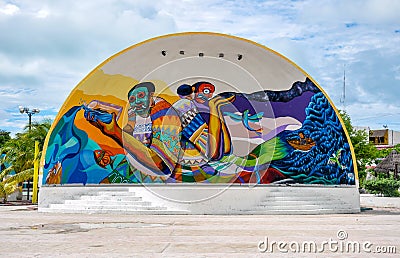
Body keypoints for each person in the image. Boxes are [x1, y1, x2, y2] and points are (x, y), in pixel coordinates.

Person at [85, 82, 182, 178]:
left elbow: (161, 165)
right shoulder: (133, 112)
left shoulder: (163, 111)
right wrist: (106, 122)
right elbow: (129, 130)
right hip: (138, 165)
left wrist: (116, 132)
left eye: (141, 95)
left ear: (151, 95)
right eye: (132, 99)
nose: (137, 102)